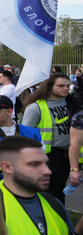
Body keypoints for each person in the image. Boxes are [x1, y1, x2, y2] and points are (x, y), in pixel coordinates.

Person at [21, 73, 76, 201]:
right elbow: (26, 135)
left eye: (67, 86)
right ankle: (53, 212)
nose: (65, 88)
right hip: (48, 154)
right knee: (54, 191)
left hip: (70, 153)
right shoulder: (36, 107)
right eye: (61, 86)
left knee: (59, 188)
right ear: (50, 86)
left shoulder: (72, 103)